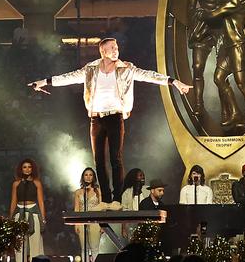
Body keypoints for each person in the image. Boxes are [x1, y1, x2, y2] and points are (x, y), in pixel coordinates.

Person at [29, 38, 192, 202]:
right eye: (112, 48)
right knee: (99, 160)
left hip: (115, 116)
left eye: (117, 47)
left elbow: (149, 75)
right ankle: (106, 198)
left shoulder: (126, 68)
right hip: (96, 118)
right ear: (103, 51)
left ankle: (117, 198)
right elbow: (68, 77)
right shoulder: (90, 69)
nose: (116, 50)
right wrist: (43, 82)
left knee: (115, 158)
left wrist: (174, 82)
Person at [9, 158, 46, 262]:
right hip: (19, 214)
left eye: (29, 167)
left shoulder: (37, 183)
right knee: (19, 244)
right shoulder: (16, 184)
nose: (27, 169)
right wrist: (11, 219)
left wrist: (43, 218)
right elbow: (13, 202)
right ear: (21, 169)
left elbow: (41, 202)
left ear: (32, 169)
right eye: (25, 167)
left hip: (33, 213)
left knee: (36, 243)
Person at [73, 167, 102, 261]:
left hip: (95, 221)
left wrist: (102, 224)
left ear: (93, 177)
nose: (88, 177)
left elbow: (101, 208)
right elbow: (77, 209)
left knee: (95, 248)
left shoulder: (98, 191)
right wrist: (76, 224)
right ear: (83, 177)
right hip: (81, 221)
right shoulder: (78, 192)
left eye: (90, 175)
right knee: (84, 248)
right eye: (86, 175)